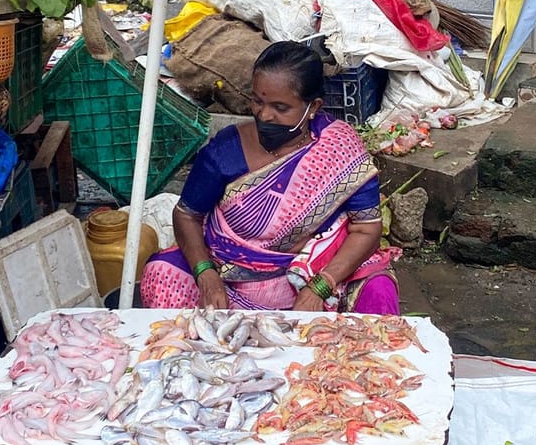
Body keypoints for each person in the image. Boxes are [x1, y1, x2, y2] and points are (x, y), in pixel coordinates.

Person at [140, 41, 400, 313]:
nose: (264, 115)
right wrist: (205, 273)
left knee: (377, 289)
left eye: (280, 107)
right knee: (162, 274)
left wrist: (320, 287)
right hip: (229, 275)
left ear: (313, 107)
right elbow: (187, 215)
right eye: (257, 101)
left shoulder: (339, 148)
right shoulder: (225, 151)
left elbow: (366, 228)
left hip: (313, 272)